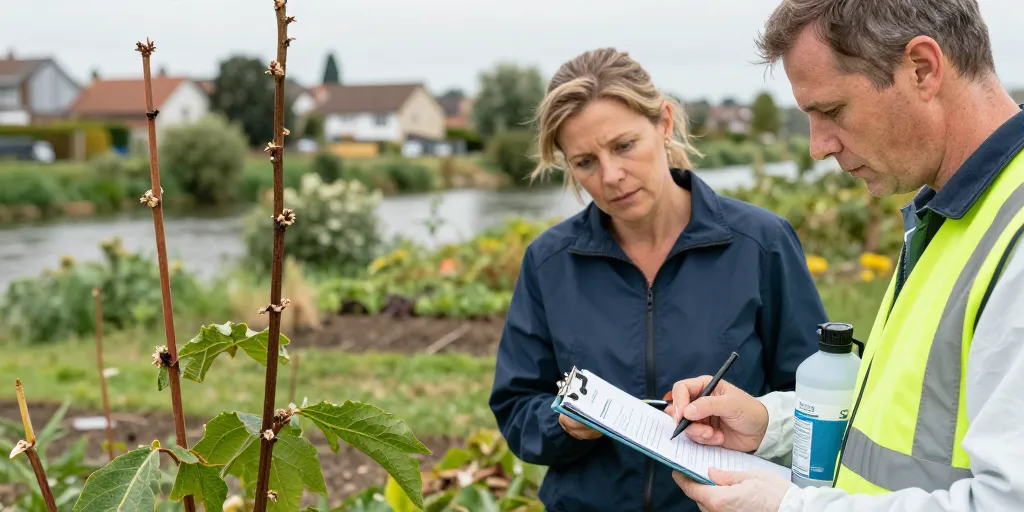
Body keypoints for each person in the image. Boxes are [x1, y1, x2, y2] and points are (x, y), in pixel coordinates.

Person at [667, 1, 1024, 511]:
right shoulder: (953, 213)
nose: (818, 147)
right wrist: (773, 426)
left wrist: (791, 507)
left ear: (922, 69)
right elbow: (907, 413)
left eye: (832, 111)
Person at [487, 47, 828, 512]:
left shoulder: (760, 243)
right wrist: (563, 424)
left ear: (664, 123)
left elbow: (815, 398)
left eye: (624, 146)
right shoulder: (549, 262)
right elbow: (516, 407)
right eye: (584, 162)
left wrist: (753, 423)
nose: (611, 176)